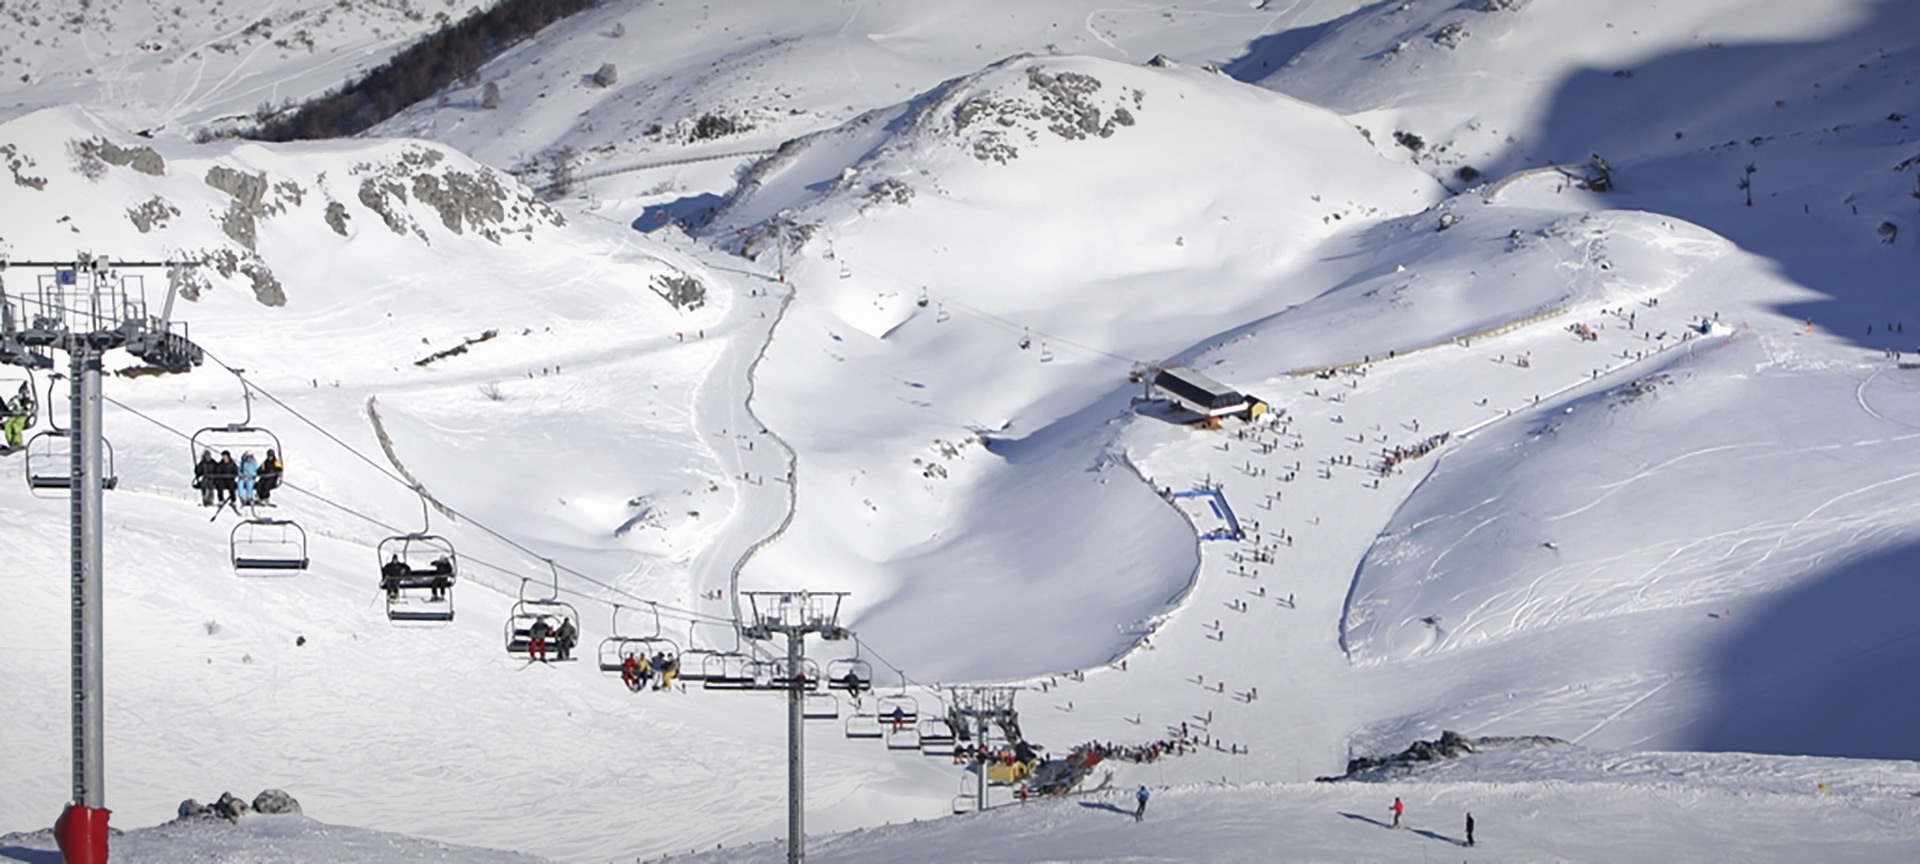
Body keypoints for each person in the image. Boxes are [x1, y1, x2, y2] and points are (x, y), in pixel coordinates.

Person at [3, 383, 32, 451]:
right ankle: (11, 443)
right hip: (14, 414)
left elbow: (30, 408)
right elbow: (9, 406)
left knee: (15, 426)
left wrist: (26, 406)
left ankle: (18, 442)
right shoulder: (16, 399)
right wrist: (12, 405)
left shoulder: (29, 400)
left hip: (23, 415)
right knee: (7, 425)